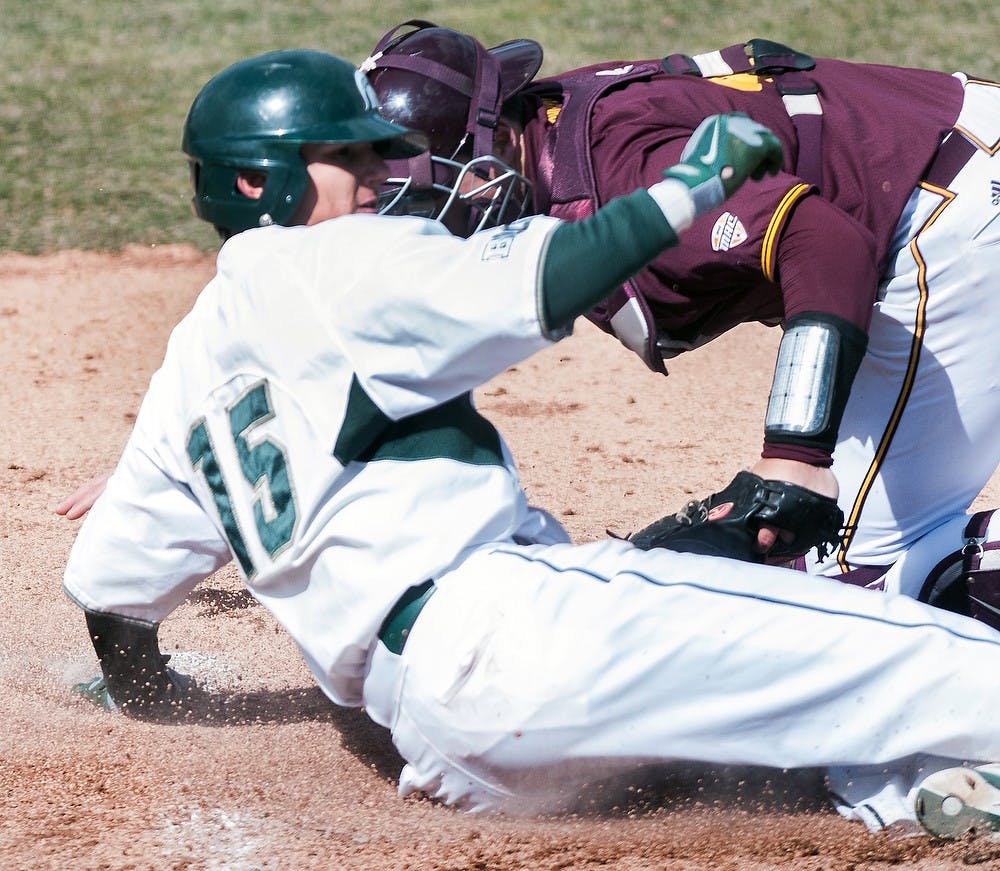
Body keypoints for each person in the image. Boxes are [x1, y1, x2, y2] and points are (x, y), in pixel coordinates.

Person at [64, 46, 1000, 842]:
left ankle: (912, 788)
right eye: (347, 156)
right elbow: (543, 279)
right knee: (896, 633)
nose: (379, 179)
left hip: (443, 750)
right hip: (516, 637)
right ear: (256, 177)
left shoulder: (190, 367)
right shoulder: (338, 256)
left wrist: (150, 698)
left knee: (732, 652)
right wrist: (685, 190)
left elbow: (113, 598)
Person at [362, 21, 1000, 597]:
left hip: (956, 211)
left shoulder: (625, 173)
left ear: (497, 139)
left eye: (429, 191)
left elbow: (825, 243)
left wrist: (795, 456)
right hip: (953, 163)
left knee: (843, 582)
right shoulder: (550, 133)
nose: (420, 216)